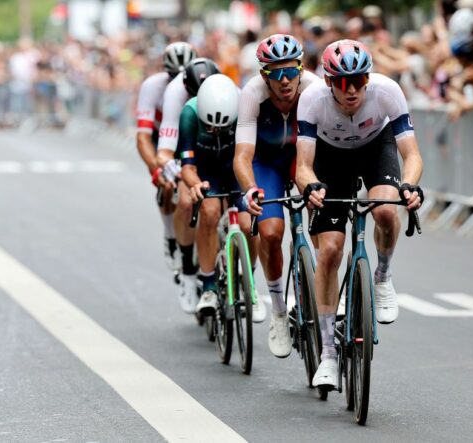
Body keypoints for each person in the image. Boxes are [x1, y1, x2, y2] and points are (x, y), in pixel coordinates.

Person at [295, 40, 423, 388]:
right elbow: (303, 166)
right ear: (327, 81)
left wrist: (409, 186)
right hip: (330, 157)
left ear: (368, 78)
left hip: (374, 147)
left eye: (358, 80)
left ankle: (381, 275)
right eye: (341, 81)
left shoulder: (386, 91)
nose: (351, 90)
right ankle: (327, 355)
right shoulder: (312, 101)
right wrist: (310, 186)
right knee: (331, 250)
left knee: (384, 210)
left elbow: (411, 155)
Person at [234, 34, 320, 357]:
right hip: (265, 162)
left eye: (290, 71)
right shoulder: (251, 95)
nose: (285, 81)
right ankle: (280, 311)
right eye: (275, 74)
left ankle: (326, 283)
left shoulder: (314, 89)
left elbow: (325, 149)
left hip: (302, 157)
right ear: (263, 76)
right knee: (270, 233)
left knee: (323, 216)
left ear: (301, 68)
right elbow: (242, 156)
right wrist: (250, 189)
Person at [176, 74, 265, 322]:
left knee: (248, 224)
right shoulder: (190, 113)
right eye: (210, 127)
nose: (216, 131)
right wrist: (195, 185)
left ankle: (249, 282)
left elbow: (251, 155)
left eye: (223, 128)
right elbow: (186, 166)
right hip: (206, 170)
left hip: (236, 166)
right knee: (210, 211)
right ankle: (208, 287)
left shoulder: (244, 105)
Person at [154, 57, 222, 313]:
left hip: (219, 148)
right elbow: (165, 151)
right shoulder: (176, 96)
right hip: (186, 148)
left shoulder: (230, 92)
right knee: (184, 201)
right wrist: (175, 171)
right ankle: (188, 270)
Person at [135, 42, 196, 280]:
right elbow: (142, 137)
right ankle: (171, 237)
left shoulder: (202, 80)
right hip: (161, 138)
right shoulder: (152, 86)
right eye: (173, 75)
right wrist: (156, 168)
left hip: (189, 137)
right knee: (167, 184)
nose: (178, 81)